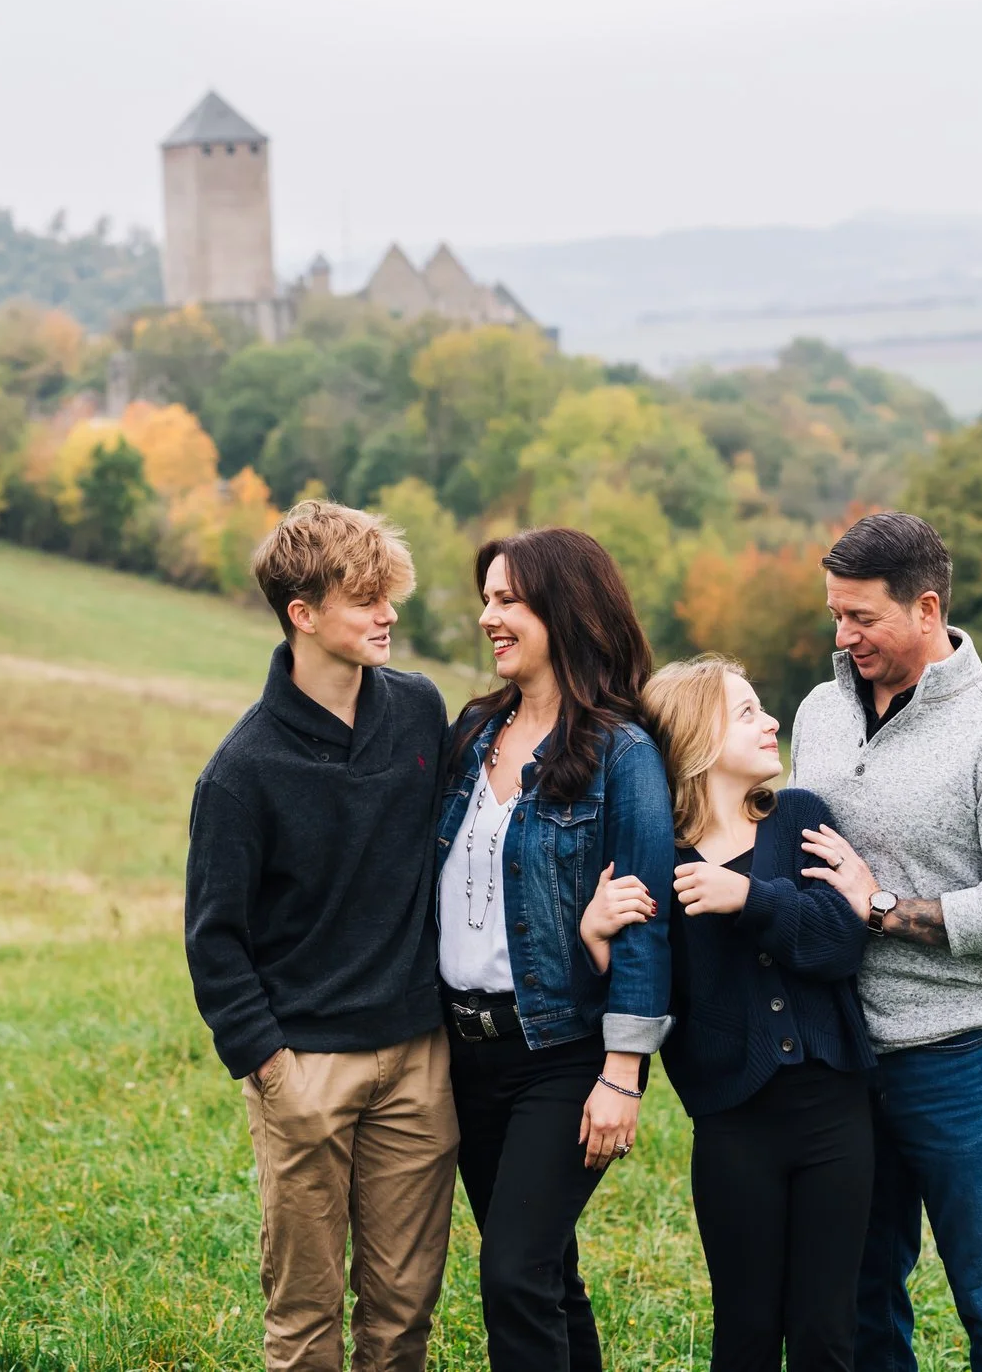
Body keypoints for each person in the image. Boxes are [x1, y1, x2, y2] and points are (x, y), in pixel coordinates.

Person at [785, 511, 982, 1372]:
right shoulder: (820, 710)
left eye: (862, 618)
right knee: (863, 1296)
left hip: (963, 1058)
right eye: (835, 614)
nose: (844, 636)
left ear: (925, 606)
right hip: (841, 1056)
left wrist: (879, 906)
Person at [183, 500, 457, 1372]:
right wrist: (273, 1069)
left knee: (403, 1312)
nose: (388, 615)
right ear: (302, 614)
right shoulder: (241, 771)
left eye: (390, 594)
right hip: (306, 1069)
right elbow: (214, 939)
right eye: (364, 598)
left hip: (419, 1058)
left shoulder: (419, 712)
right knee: (304, 1321)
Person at [435, 526, 674, 1372]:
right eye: (487, 599)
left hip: (561, 1054)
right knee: (546, 1271)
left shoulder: (622, 753)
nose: (487, 617)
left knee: (512, 1272)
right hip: (465, 1055)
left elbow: (645, 919)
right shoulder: (471, 734)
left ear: (564, 610)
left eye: (509, 600)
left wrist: (623, 1071)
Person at [615, 655, 877, 1372]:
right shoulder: (659, 857)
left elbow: (839, 942)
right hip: (733, 1127)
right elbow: (654, 993)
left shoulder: (798, 818)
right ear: (697, 737)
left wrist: (748, 898)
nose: (772, 722)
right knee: (746, 1330)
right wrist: (595, 939)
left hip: (834, 1115)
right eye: (749, 711)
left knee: (826, 1330)